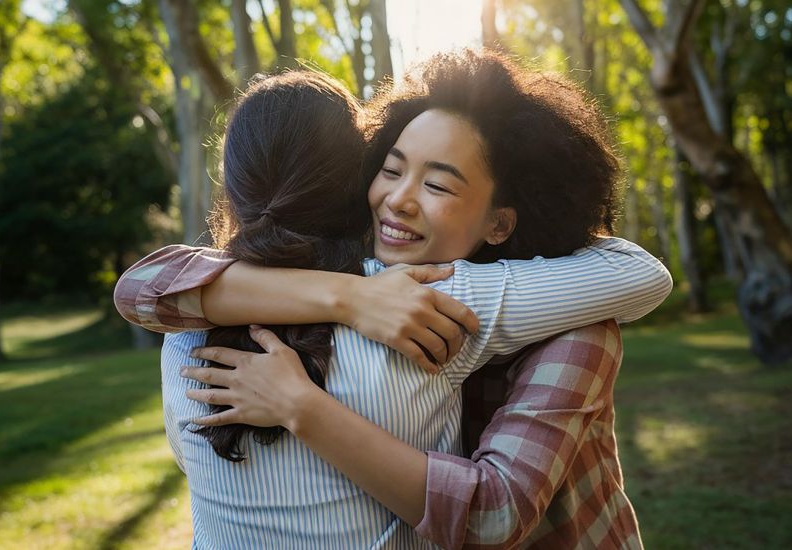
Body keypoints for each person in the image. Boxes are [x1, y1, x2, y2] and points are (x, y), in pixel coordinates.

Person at [115, 49, 672, 548]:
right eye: (390, 169)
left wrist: (303, 407)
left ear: (500, 221)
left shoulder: (571, 315)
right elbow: (143, 290)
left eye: (438, 184)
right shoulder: (375, 277)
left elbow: (495, 513)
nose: (398, 200)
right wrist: (350, 297)